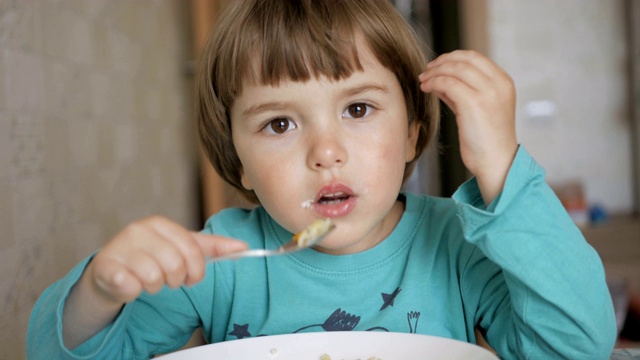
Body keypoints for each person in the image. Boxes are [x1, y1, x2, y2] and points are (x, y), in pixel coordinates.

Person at [27, 0, 617, 358]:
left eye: (358, 109)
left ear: (412, 131)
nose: (326, 152)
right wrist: (100, 293)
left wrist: (503, 171)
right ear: (238, 165)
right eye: (280, 122)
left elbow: (576, 348)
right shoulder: (219, 261)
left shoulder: (461, 246)